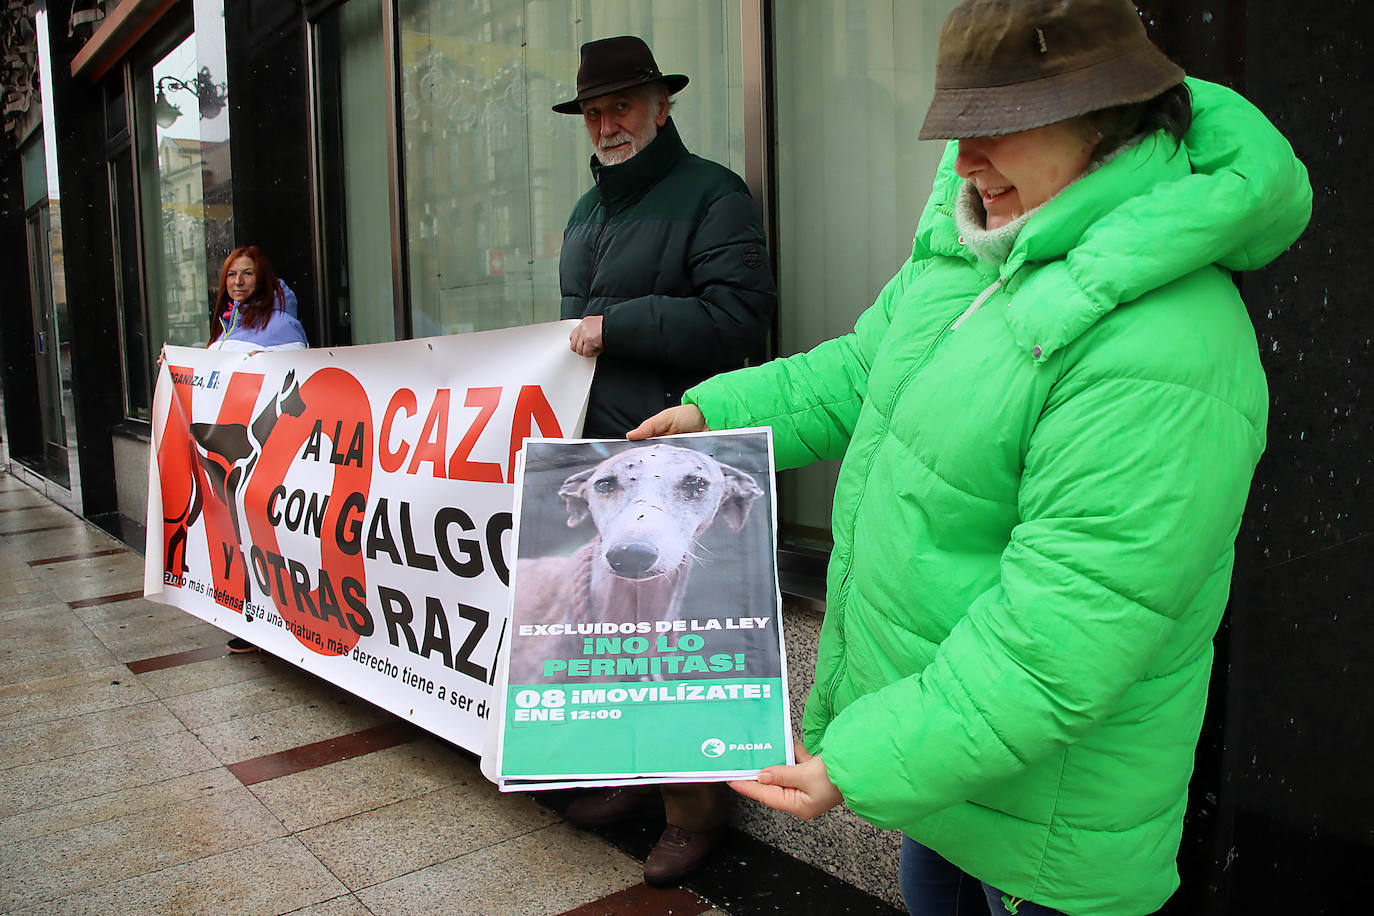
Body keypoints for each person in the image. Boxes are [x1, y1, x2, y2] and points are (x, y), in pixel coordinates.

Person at [628, 2, 1312, 914]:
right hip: (946, 783)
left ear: (1109, 123)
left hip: (1048, 842)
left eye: (1000, 128)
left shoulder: (1170, 345)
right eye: (959, 128)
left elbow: (1058, 640)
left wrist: (866, 761)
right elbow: (867, 369)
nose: (969, 158)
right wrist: (715, 414)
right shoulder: (977, 249)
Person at [552, 35, 777, 885]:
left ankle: (692, 811)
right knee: (610, 630)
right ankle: (631, 776)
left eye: (622, 106)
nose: (606, 123)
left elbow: (739, 319)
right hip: (604, 451)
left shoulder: (713, 195)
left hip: (678, 448)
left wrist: (622, 325)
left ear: (662, 106)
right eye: (595, 111)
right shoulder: (586, 209)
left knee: (676, 642)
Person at [208, 245, 308, 651]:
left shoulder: (281, 324)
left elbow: (299, 376)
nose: (238, 283)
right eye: (232, 275)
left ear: (261, 278)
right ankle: (251, 620)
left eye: (246, 274)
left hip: (268, 449)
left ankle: (275, 618)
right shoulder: (228, 323)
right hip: (233, 450)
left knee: (263, 530)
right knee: (240, 531)